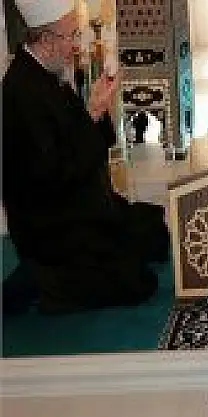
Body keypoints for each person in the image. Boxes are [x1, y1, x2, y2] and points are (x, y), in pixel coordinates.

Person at [2, 0, 169, 314]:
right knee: (138, 282)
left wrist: (97, 110)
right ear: (47, 40)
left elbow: (81, 141)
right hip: (53, 227)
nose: (76, 45)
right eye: (72, 36)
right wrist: (90, 116)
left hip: (79, 204)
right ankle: (43, 283)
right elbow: (55, 175)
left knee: (154, 231)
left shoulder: (47, 74)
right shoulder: (20, 91)